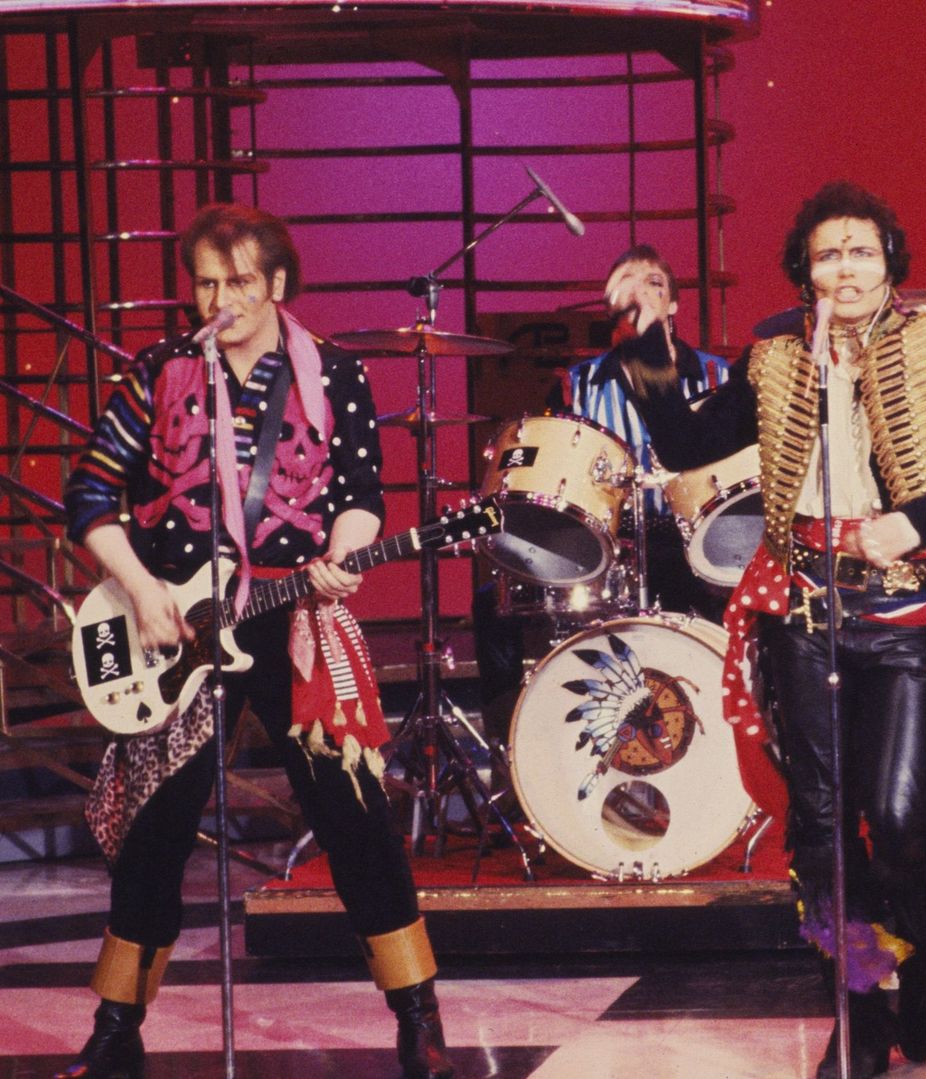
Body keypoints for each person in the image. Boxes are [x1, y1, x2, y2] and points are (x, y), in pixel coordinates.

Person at [626, 180, 926, 1079]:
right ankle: (858, 1009)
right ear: (805, 273)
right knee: (822, 825)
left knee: (897, 814)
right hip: (801, 611)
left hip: (901, 612)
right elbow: (683, 445)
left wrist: (921, 519)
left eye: (862, 250)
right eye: (829, 254)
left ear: (890, 262)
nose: (847, 268)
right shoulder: (774, 355)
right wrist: (649, 340)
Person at [61, 204, 455, 1079]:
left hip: (294, 613)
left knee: (356, 816)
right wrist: (142, 589)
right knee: (155, 829)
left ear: (277, 283)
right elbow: (87, 492)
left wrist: (345, 552)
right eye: (206, 283)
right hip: (174, 626)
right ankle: (116, 1028)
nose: (220, 301)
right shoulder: (160, 372)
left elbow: (361, 493)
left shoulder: (335, 373)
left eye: (238, 282)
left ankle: (419, 1018)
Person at [472, 244, 728, 740]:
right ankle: (514, 752)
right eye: (625, 282)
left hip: (692, 540)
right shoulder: (577, 385)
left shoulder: (719, 375)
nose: (639, 291)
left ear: (674, 304)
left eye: (653, 282)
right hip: (609, 542)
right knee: (493, 604)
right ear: (611, 303)